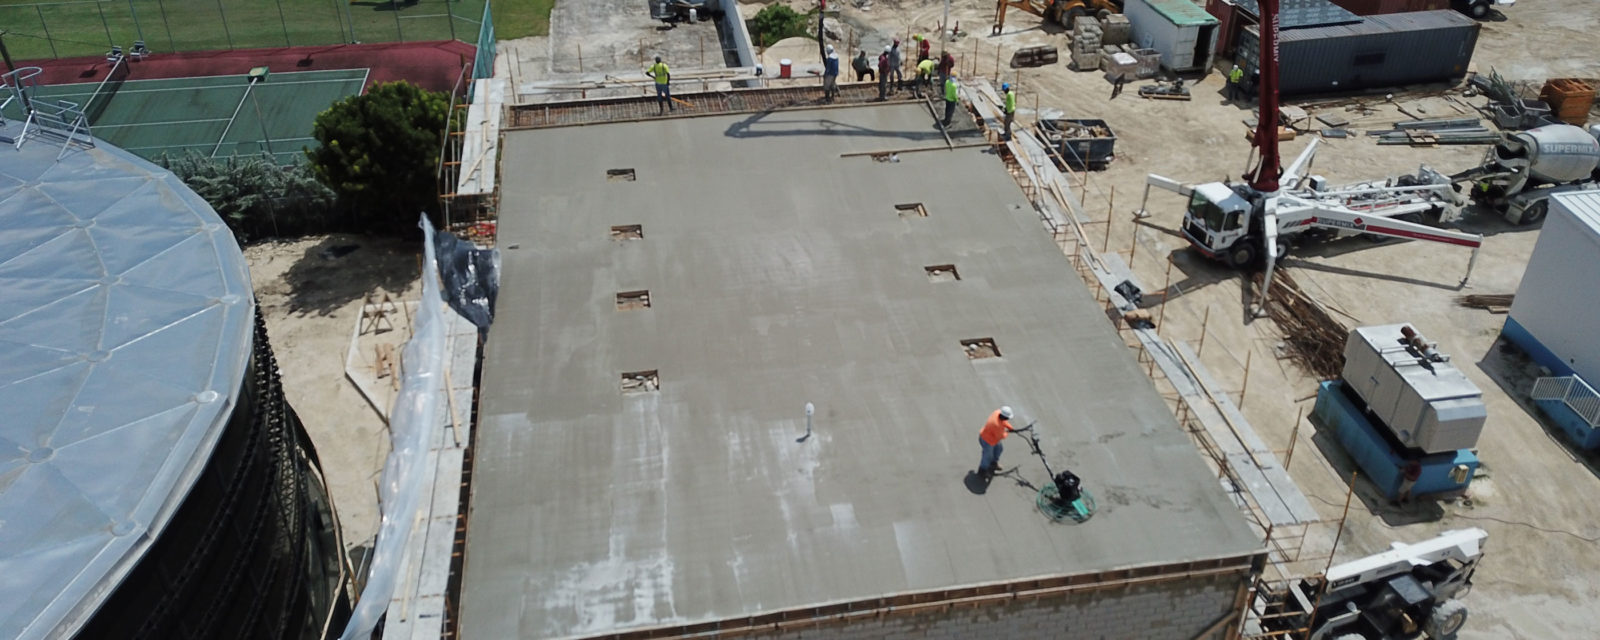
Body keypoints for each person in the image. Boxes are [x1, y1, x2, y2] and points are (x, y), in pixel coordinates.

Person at [977, 406, 1021, 476]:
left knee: (999, 449)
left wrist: (1010, 427)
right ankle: (982, 471)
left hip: (993, 438)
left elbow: (1004, 422)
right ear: (1004, 417)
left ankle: (993, 463)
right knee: (987, 456)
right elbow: (1001, 436)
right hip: (987, 440)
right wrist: (1007, 432)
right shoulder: (996, 425)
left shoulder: (997, 413)